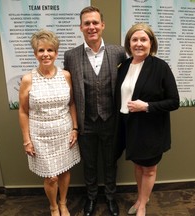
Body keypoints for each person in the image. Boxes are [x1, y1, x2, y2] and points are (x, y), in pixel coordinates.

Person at [64, 6, 127, 216]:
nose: (91, 27)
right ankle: (91, 197)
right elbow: (69, 91)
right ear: (81, 27)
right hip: (86, 121)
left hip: (111, 120)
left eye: (95, 23)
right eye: (87, 23)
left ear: (102, 25)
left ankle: (110, 197)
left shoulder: (118, 52)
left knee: (110, 163)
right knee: (89, 164)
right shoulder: (70, 56)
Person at [115, 23, 180, 216]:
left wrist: (147, 106)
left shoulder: (160, 67)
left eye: (143, 39)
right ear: (129, 43)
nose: (139, 43)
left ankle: (142, 205)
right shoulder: (124, 65)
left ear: (151, 43)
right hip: (130, 126)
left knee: (149, 169)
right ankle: (141, 197)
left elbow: (174, 101)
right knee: (137, 164)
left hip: (151, 128)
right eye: (134, 40)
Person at [19, 29, 81, 216]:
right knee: (51, 177)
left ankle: (63, 203)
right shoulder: (28, 79)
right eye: (41, 50)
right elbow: (23, 111)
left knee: (64, 171)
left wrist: (75, 128)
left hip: (64, 131)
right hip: (40, 135)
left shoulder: (66, 76)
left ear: (56, 52)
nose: (46, 54)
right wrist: (27, 140)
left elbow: (71, 103)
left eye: (50, 50)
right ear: (35, 53)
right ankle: (53, 206)